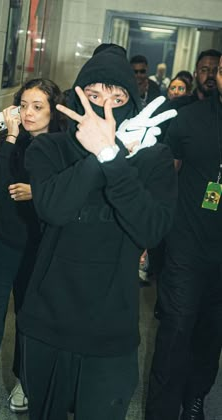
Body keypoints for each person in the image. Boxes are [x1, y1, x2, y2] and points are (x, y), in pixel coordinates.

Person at [17, 44, 178, 420]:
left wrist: (114, 158)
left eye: (117, 97)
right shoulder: (48, 150)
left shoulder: (152, 157)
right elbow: (53, 209)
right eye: (93, 96)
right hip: (47, 321)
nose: (104, 108)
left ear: (131, 103)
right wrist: (103, 153)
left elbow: (151, 229)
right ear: (76, 99)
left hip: (111, 330)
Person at [145, 56, 222, 420]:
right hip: (186, 248)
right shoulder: (188, 120)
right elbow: (164, 180)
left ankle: (195, 399)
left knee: (211, 336)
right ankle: (160, 412)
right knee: (175, 333)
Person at [0, 78, 66, 415]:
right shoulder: (11, 140)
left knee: (29, 321)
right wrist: (11, 135)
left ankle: (25, 380)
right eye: (23, 105)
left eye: (38, 107)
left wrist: (39, 193)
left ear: (53, 111)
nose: (28, 113)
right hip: (0, 243)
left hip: (39, 247)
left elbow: (68, 199)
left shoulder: (64, 147)